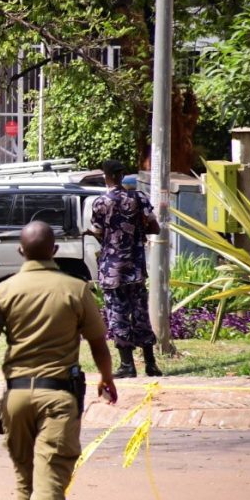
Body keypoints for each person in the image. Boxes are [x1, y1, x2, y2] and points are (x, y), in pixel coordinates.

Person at [0, 221, 118, 500]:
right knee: (50, 481)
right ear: (54, 250)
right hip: (59, 398)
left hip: (16, 399)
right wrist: (106, 378)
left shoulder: (3, 292)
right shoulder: (76, 290)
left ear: (21, 250)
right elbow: (98, 345)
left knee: (26, 481)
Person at [87, 159, 163, 378]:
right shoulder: (139, 197)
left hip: (112, 269)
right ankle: (151, 364)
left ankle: (127, 365)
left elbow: (99, 231)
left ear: (107, 176)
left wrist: (98, 234)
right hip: (136, 268)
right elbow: (155, 227)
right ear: (122, 175)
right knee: (140, 314)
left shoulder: (101, 202)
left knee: (118, 314)